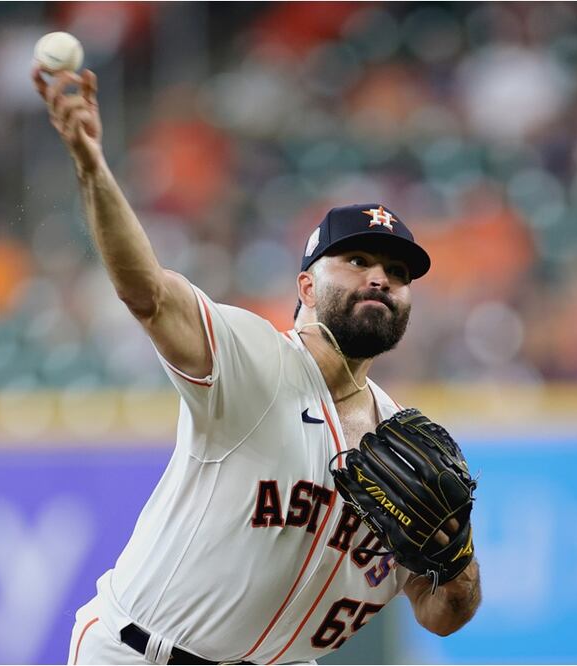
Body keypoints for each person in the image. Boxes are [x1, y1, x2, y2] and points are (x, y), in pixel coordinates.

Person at [32, 65, 481, 666]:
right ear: (306, 285)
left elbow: (442, 615)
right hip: (141, 653)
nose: (381, 277)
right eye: (357, 260)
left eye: (398, 273)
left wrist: (457, 560)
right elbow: (148, 292)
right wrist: (92, 169)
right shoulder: (252, 361)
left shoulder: (405, 447)